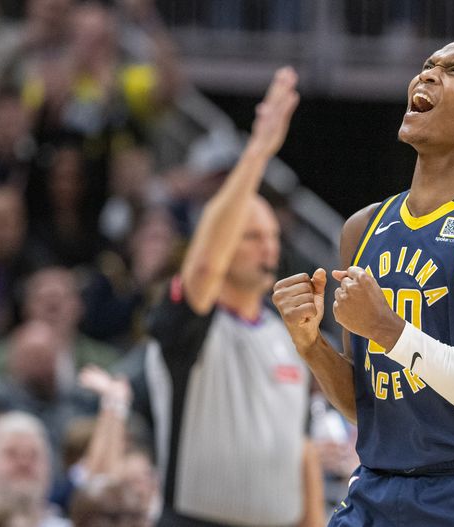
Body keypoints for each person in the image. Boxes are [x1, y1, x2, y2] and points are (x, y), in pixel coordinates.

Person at [274, 37, 454, 526]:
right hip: (379, 486)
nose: (427, 75)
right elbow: (370, 407)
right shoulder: (362, 227)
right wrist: (310, 345)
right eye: (427, 66)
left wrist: (389, 330)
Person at [144, 67, 325, 526]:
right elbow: (202, 266)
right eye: (249, 236)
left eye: (270, 235)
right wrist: (259, 152)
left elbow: (301, 446)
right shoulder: (190, 321)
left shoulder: (289, 334)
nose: (268, 246)